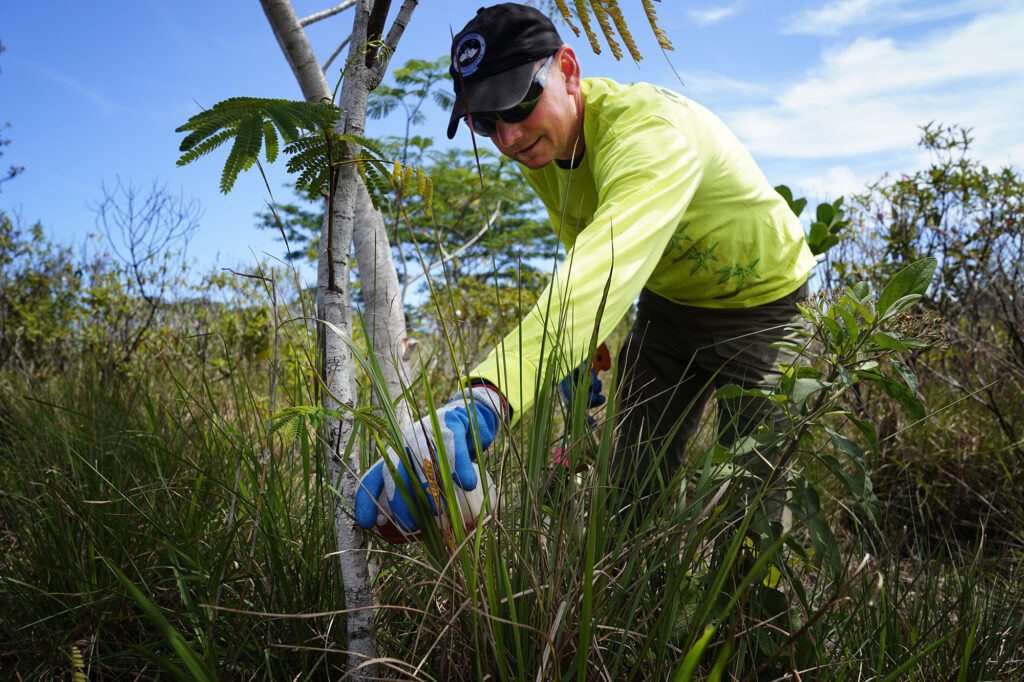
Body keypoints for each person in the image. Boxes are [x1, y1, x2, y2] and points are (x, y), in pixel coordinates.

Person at [354, 3, 815, 535]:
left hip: (765, 306)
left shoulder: (652, 134)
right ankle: (626, 608)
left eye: (517, 103)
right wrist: (577, 351)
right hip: (670, 309)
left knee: (755, 500)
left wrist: (485, 397)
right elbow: (583, 243)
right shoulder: (543, 147)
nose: (507, 137)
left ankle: (747, 617)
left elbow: (609, 257)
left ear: (568, 71)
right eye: (486, 120)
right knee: (631, 485)